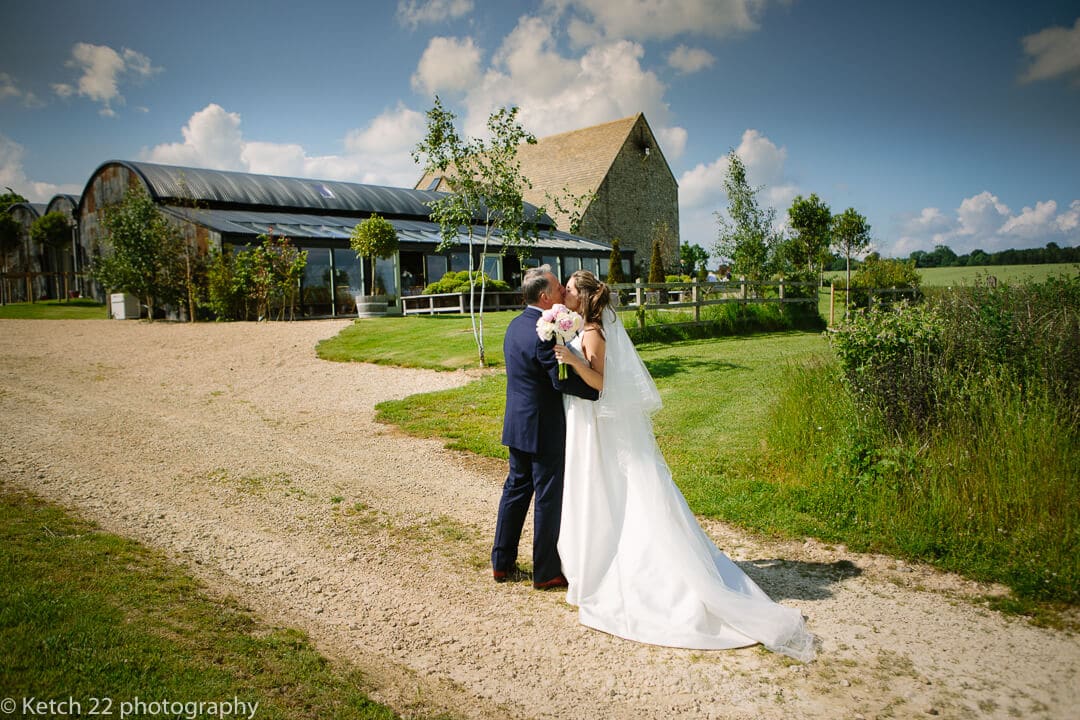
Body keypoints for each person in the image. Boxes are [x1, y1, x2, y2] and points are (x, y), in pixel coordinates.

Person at [552, 270, 815, 662]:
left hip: (601, 428)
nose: (565, 293)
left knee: (614, 491)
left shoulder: (592, 333)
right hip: (597, 425)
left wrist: (572, 359)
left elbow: (599, 384)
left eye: (570, 289)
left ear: (586, 296)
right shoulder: (588, 326)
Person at [493, 265, 600, 589]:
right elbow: (559, 382)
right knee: (547, 498)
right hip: (543, 428)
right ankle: (545, 572)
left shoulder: (514, 326)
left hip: (517, 423)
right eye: (557, 288)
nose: (562, 293)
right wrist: (595, 390)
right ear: (544, 297)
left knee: (515, 490)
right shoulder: (545, 332)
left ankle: (501, 563)